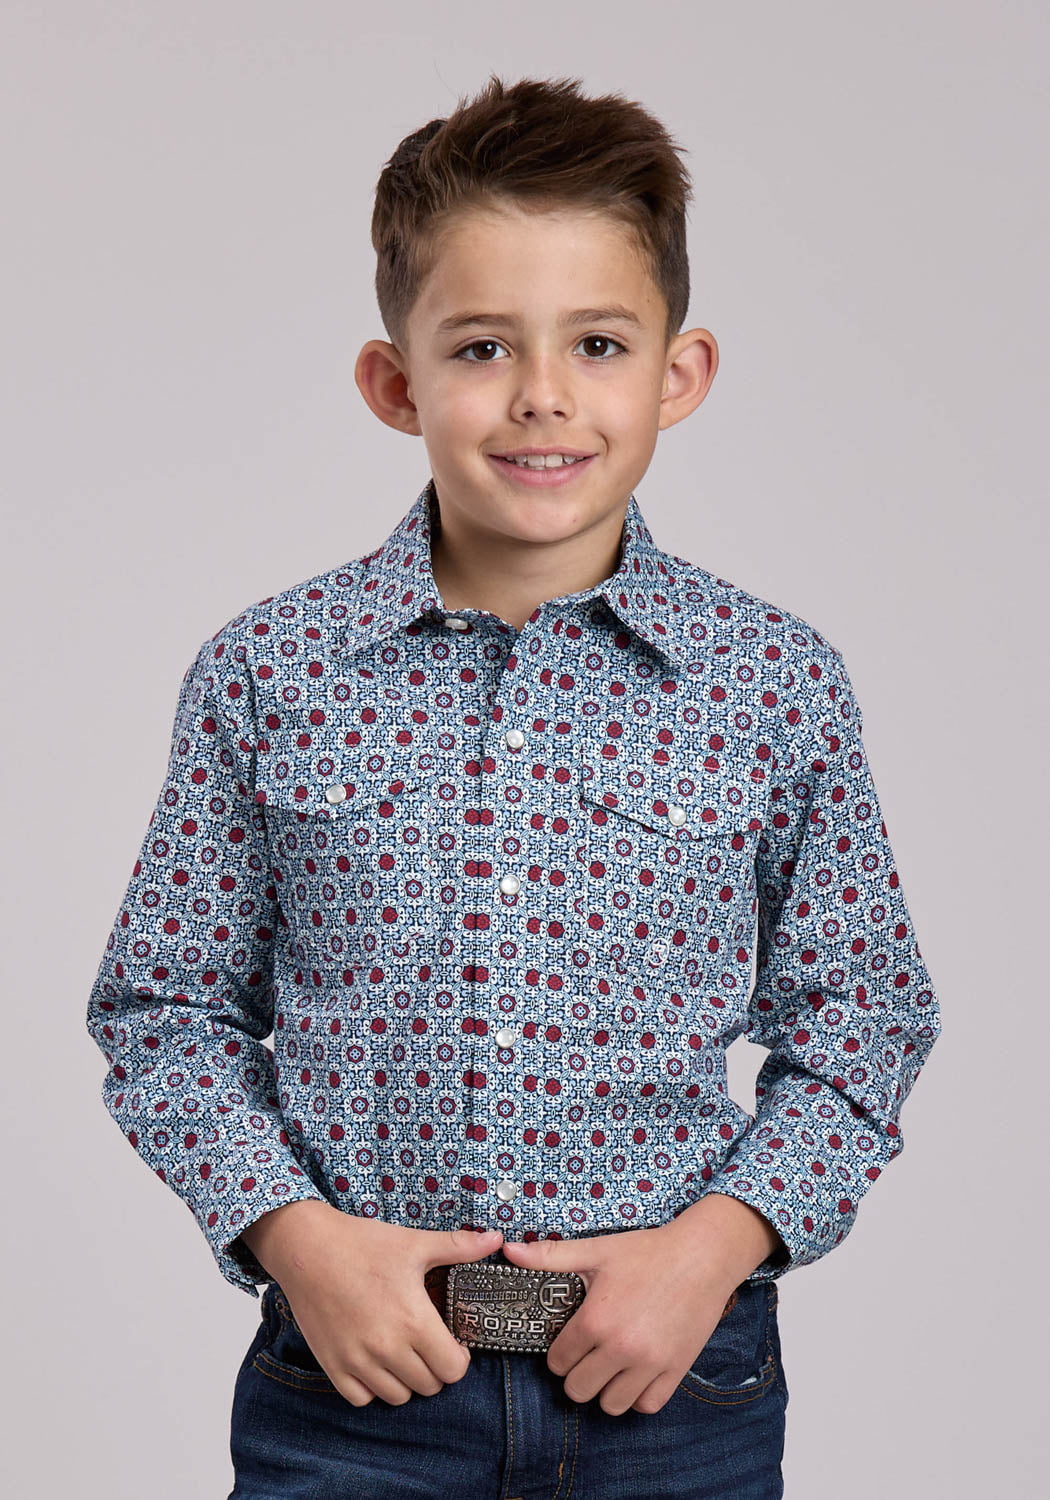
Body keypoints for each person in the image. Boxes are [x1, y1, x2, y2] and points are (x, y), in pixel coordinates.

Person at [86, 73, 941, 1499]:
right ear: (395, 384)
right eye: (482, 346)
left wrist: (713, 1250)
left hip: (672, 1388)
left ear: (678, 374)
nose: (543, 394)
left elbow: (865, 1014)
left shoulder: (771, 681)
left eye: (597, 344)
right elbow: (162, 1008)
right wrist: (297, 1240)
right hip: (356, 1394)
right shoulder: (269, 671)